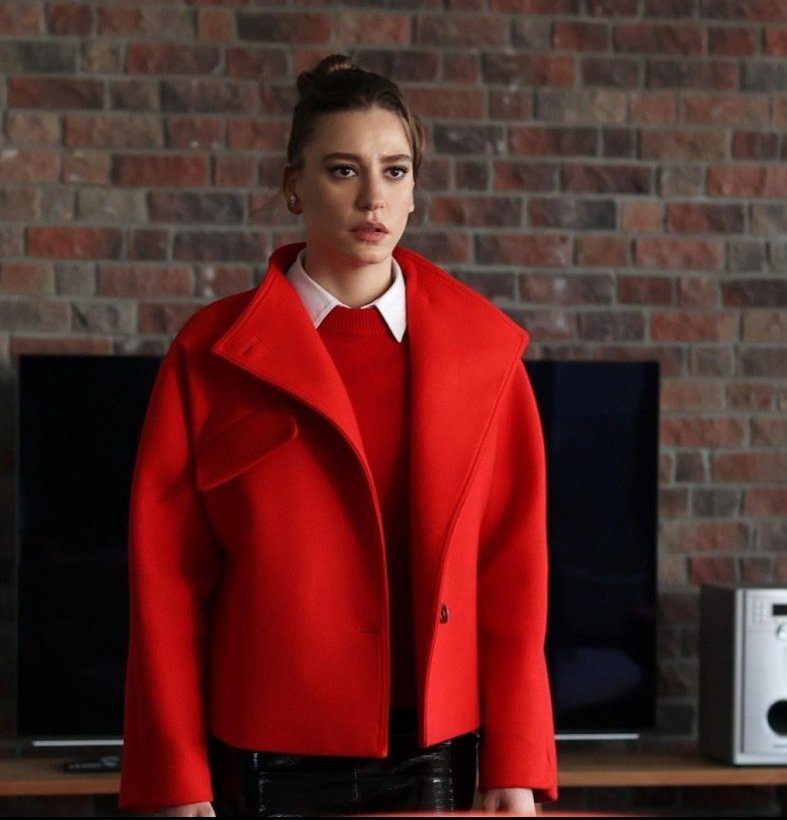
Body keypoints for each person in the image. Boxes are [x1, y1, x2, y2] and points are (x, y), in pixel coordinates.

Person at [118, 53, 557, 817]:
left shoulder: (486, 355)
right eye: (342, 170)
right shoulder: (210, 355)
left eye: (394, 171)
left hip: (437, 746)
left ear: (414, 190)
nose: (372, 198)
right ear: (294, 185)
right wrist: (174, 778)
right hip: (261, 748)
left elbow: (511, 578)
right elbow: (167, 586)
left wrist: (515, 761)